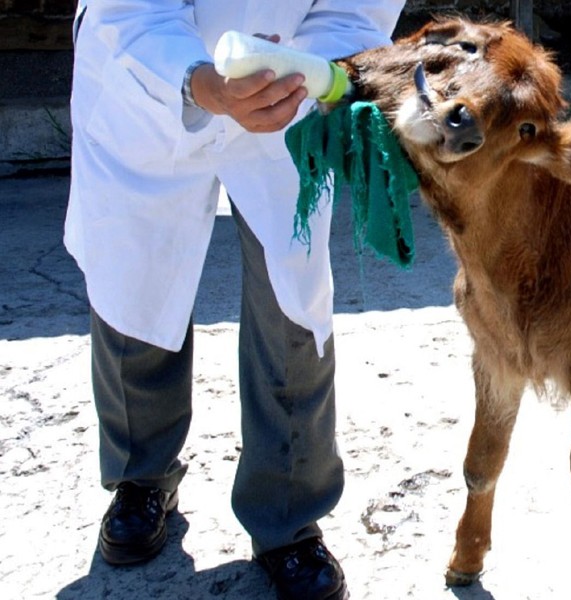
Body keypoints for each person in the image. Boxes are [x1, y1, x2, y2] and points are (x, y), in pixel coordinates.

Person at [64, 2, 406, 598]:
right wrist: (202, 84)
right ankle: (141, 478)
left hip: (285, 92)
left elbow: (356, 10)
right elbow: (131, 11)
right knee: (135, 286)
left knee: (291, 303)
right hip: (146, 92)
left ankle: (288, 516)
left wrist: (300, 73)